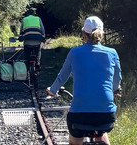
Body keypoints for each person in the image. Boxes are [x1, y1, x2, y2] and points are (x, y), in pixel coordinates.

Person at [47, 16, 121, 145]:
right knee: (102, 132)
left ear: (83, 34)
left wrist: (52, 90)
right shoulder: (112, 53)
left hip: (80, 114)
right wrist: (114, 89)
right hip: (106, 114)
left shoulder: (75, 52)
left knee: (75, 139)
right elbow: (117, 77)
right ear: (102, 34)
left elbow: (62, 76)